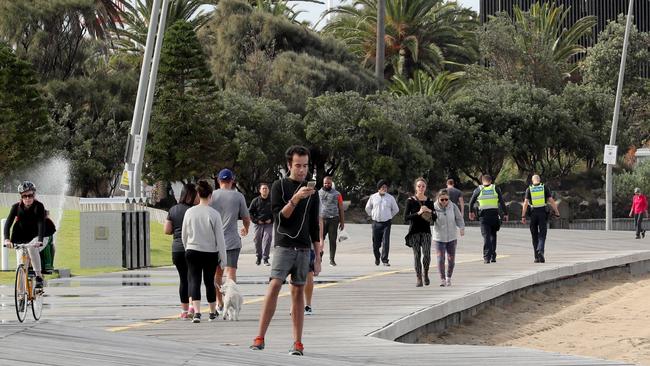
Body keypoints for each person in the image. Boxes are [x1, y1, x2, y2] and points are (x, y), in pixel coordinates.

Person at [250, 145, 321, 356]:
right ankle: (260, 337)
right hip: (283, 245)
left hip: (303, 248)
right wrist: (296, 197)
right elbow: (280, 218)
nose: (302, 170)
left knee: (298, 292)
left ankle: (297, 343)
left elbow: (314, 226)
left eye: (305, 166)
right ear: (289, 165)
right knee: (274, 285)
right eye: (298, 165)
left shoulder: (314, 194)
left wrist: (317, 256)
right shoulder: (278, 186)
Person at [181, 180, 226, 323]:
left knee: (194, 280)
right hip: (209, 252)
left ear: (198, 194)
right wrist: (223, 258)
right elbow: (220, 239)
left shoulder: (189, 212)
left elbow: (184, 234)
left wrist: (187, 246)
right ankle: (212, 312)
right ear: (210, 195)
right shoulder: (214, 214)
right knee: (208, 281)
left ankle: (197, 313)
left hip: (192, 250)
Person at [209, 168, 251, 312]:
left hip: (214, 241)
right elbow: (246, 217)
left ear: (219, 180)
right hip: (232, 240)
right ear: (232, 180)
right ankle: (231, 300)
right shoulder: (238, 196)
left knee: (217, 274)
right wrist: (246, 228)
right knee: (231, 273)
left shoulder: (212, 196)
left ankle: (220, 302)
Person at [3, 181, 47, 289]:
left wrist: (40, 240)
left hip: (37, 237)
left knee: (32, 248)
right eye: (24, 196)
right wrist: (7, 239)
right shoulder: (15, 207)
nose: (27, 198)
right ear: (21, 196)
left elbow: (41, 223)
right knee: (21, 265)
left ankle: (39, 277)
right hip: (20, 239)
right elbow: (8, 224)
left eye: (30, 195)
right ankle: (21, 296)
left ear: (34, 195)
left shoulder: (39, 206)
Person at [164, 183, 198, 319]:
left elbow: (166, 230)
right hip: (191, 247)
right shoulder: (193, 210)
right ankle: (192, 306)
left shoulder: (173, 210)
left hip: (177, 249)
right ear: (190, 195)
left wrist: (176, 229)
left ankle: (184, 311)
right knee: (193, 278)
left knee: (183, 279)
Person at [403, 178, 435, 287]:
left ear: (425, 188)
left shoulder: (429, 201)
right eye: (419, 186)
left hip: (426, 231)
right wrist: (419, 213)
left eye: (423, 186)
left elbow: (435, 218)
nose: (421, 188)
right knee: (417, 255)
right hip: (414, 231)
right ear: (415, 187)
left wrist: (429, 210)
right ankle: (418, 277)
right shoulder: (410, 200)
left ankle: (425, 273)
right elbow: (406, 218)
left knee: (427, 255)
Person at [468, 175, 508, 264]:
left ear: (482, 181)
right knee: (493, 235)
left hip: (484, 216)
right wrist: (505, 214)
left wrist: (471, 212)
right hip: (494, 215)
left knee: (486, 236)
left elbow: (471, 202)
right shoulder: (495, 188)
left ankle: (487, 257)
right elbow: (501, 202)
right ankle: (493, 255)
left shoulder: (479, 189)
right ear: (490, 180)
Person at [521, 175, 560, 263]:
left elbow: (525, 203)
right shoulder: (544, 187)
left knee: (534, 235)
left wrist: (523, 216)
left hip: (533, 214)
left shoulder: (529, 189)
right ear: (539, 180)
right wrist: (557, 212)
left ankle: (536, 257)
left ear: (532, 180)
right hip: (542, 213)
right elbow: (551, 201)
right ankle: (540, 251)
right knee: (542, 234)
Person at [432, 189, 465, 287]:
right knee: (440, 258)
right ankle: (442, 279)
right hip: (439, 237)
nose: (444, 202)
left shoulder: (453, 206)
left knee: (451, 260)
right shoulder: (433, 207)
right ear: (438, 198)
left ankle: (448, 277)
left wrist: (461, 228)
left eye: (446, 199)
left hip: (451, 237)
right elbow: (429, 219)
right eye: (442, 200)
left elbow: (459, 218)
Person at [365, 180, 399, 266]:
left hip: (386, 223)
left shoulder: (390, 198)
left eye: (386, 187)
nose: (384, 189)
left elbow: (396, 209)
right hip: (376, 223)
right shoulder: (373, 197)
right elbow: (367, 208)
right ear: (379, 188)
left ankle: (385, 260)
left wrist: (389, 216)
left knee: (386, 242)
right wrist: (372, 215)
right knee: (376, 244)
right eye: (382, 187)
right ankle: (377, 257)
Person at [318, 176, 345, 266]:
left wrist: (342, 221)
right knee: (320, 239)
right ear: (323, 183)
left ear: (331, 183)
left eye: (328, 183)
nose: (327, 185)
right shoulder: (318, 193)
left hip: (334, 219)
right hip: (322, 219)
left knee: (332, 240)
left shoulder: (337, 194)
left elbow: (341, 208)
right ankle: (319, 256)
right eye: (325, 183)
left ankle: (332, 259)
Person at [249, 183, 273, 266]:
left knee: (268, 238)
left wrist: (271, 219)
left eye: (266, 188)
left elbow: (277, 211)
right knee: (257, 240)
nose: (265, 190)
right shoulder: (255, 200)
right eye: (263, 188)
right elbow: (250, 212)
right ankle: (259, 257)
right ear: (260, 190)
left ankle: (265, 258)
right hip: (258, 223)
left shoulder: (272, 200)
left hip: (268, 223)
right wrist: (256, 221)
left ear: (269, 190)